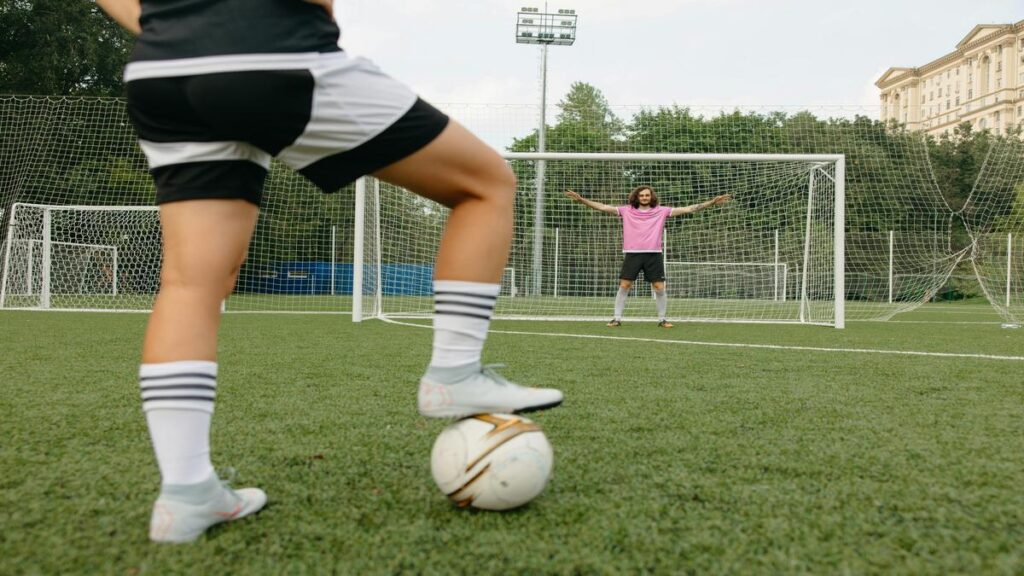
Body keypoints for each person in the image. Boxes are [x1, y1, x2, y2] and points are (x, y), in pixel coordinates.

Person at [97, 0, 562, 543]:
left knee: (190, 283)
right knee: (486, 184)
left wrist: (174, 28)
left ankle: (186, 494)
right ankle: (455, 375)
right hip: (268, 47)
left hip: (161, 68)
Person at [564, 186, 730, 327]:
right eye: (641, 195)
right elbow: (602, 207)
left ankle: (662, 319)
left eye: (647, 195)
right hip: (633, 254)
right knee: (625, 285)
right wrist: (582, 200)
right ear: (637, 197)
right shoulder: (626, 210)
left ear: (652, 197)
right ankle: (617, 318)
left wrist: (712, 202)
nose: (644, 197)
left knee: (659, 287)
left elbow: (688, 209)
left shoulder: (662, 211)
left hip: (654, 254)